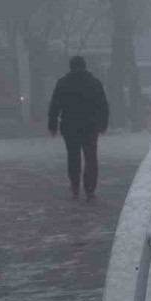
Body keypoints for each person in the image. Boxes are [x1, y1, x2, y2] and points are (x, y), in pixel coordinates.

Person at [47, 55, 109, 201]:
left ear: (71, 66)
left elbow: (55, 106)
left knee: (73, 157)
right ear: (85, 66)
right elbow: (103, 105)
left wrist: (52, 125)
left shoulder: (63, 83)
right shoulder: (94, 83)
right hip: (90, 126)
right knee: (91, 158)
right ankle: (90, 189)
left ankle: (75, 186)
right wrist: (103, 124)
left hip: (70, 126)